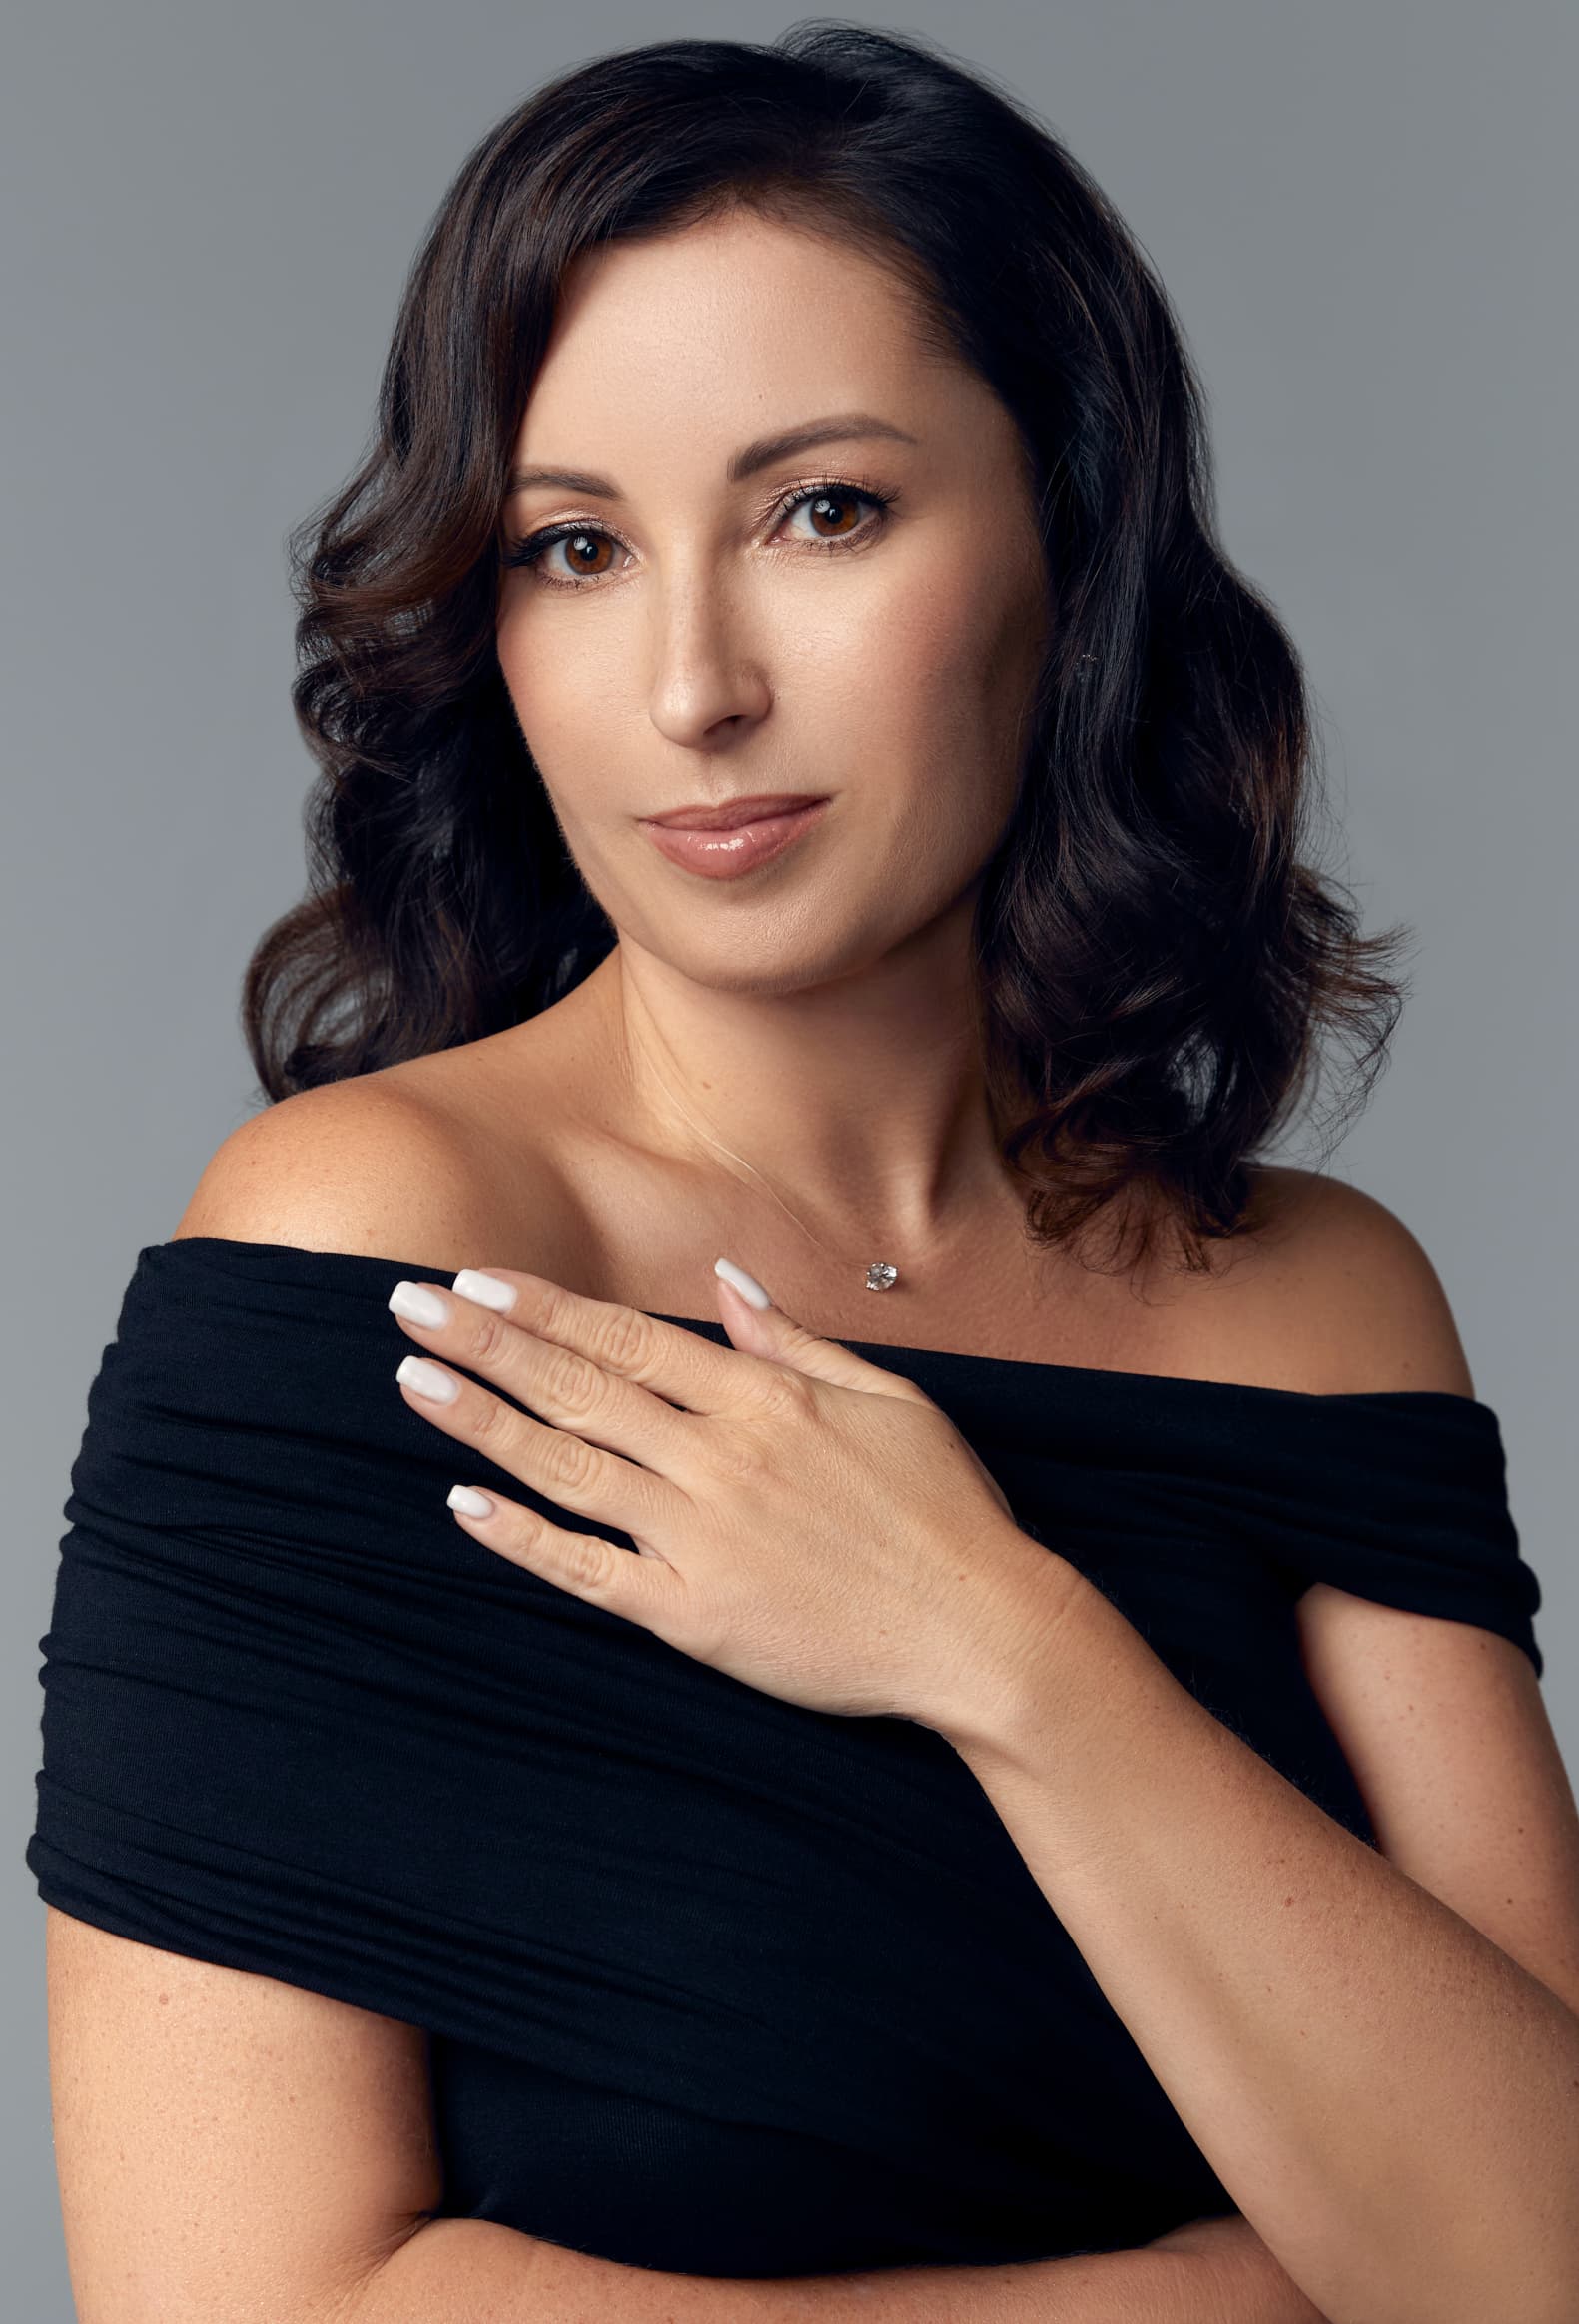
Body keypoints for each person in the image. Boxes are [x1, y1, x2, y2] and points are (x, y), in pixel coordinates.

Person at [31, 24, 1576, 2324]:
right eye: (573, 548)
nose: (692, 689)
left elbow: (1539, 2257)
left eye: (819, 513)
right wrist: (1225, 2299)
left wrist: (998, 1645)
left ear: (1068, 540)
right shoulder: (376, 1257)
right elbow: (248, 2303)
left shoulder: (1316, 1303)